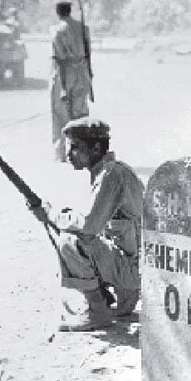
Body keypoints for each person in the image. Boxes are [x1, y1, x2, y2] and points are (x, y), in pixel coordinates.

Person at [31, 118, 143, 331]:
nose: (68, 154)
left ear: (96, 148)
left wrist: (52, 214)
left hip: (134, 274)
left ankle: (98, 312)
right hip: (131, 276)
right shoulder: (108, 172)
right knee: (74, 233)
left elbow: (89, 227)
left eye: (74, 147)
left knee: (69, 241)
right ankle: (105, 302)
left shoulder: (112, 175)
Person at [50, 0, 93, 162]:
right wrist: (89, 75)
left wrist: (61, 87)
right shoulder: (84, 28)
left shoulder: (57, 30)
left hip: (65, 74)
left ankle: (62, 153)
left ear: (57, 11)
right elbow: (89, 55)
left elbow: (59, 60)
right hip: (82, 73)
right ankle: (83, 151)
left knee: (61, 113)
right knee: (81, 113)